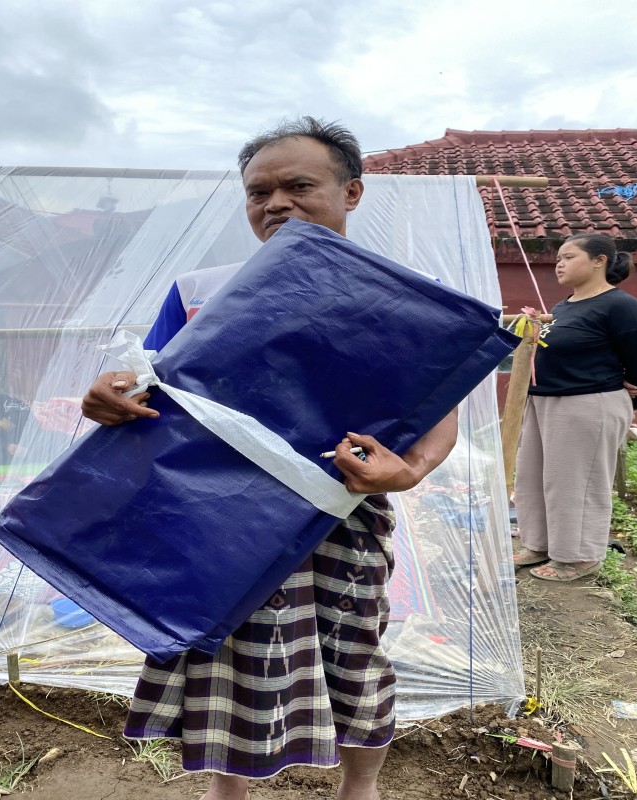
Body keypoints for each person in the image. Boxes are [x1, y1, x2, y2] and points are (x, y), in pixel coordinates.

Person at [81, 117, 458, 800]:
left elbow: (439, 417)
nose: (275, 203)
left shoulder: (411, 296)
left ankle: (359, 788)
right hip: (217, 513)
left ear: (353, 192)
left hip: (338, 510)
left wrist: (409, 471)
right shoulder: (199, 291)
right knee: (222, 654)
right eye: (258, 192)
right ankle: (227, 791)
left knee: (354, 657)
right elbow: (147, 381)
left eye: (298, 185)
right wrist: (110, 396)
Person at [513, 233, 637, 582]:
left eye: (569, 257)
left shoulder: (619, 305)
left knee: (574, 481)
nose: (559, 264)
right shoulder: (566, 305)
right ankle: (537, 544)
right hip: (544, 401)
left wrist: (633, 395)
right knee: (533, 477)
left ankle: (579, 557)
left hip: (587, 403)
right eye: (557, 259)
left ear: (599, 260)